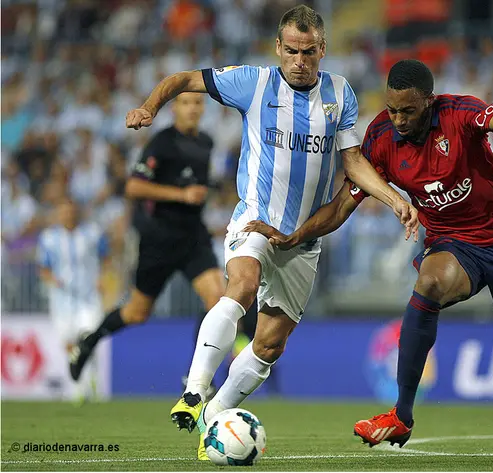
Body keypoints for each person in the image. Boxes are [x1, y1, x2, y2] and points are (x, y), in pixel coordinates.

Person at [244, 59, 493, 464]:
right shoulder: (381, 138)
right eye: (392, 109)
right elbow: (342, 205)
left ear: (429, 100)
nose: (398, 119)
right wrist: (296, 236)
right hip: (453, 242)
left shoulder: (457, 113)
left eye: (408, 110)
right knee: (429, 283)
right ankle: (401, 415)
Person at [124, 4, 418, 460]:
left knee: (269, 344)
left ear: (323, 49)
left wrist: (394, 198)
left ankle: (212, 419)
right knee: (240, 286)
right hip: (256, 219)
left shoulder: (340, 93)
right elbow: (183, 80)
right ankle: (197, 388)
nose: (300, 61)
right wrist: (148, 106)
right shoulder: (253, 82)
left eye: (309, 52)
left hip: (302, 240)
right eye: (292, 51)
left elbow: (353, 162)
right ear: (278, 48)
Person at [69, 93, 228, 396]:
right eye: (186, 103)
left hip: (193, 237)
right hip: (159, 240)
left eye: (198, 103)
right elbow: (133, 186)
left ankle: (197, 378)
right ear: (175, 109)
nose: (193, 108)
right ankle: (88, 342)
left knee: (218, 299)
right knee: (137, 312)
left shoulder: (206, 142)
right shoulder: (162, 143)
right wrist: (181, 195)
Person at [37, 198, 108, 403]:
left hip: (88, 297)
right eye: (63, 212)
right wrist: (51, 279)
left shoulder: (92, 234)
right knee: (69, 344)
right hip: (62, 300)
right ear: (59, 215)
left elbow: (106, 256)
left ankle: (90, 380)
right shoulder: (49, 238)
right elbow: (44, 267)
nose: (68, 215)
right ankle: (80, 385)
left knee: (89, 338)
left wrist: (103, 278)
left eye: (71, 211)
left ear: (76, 213)